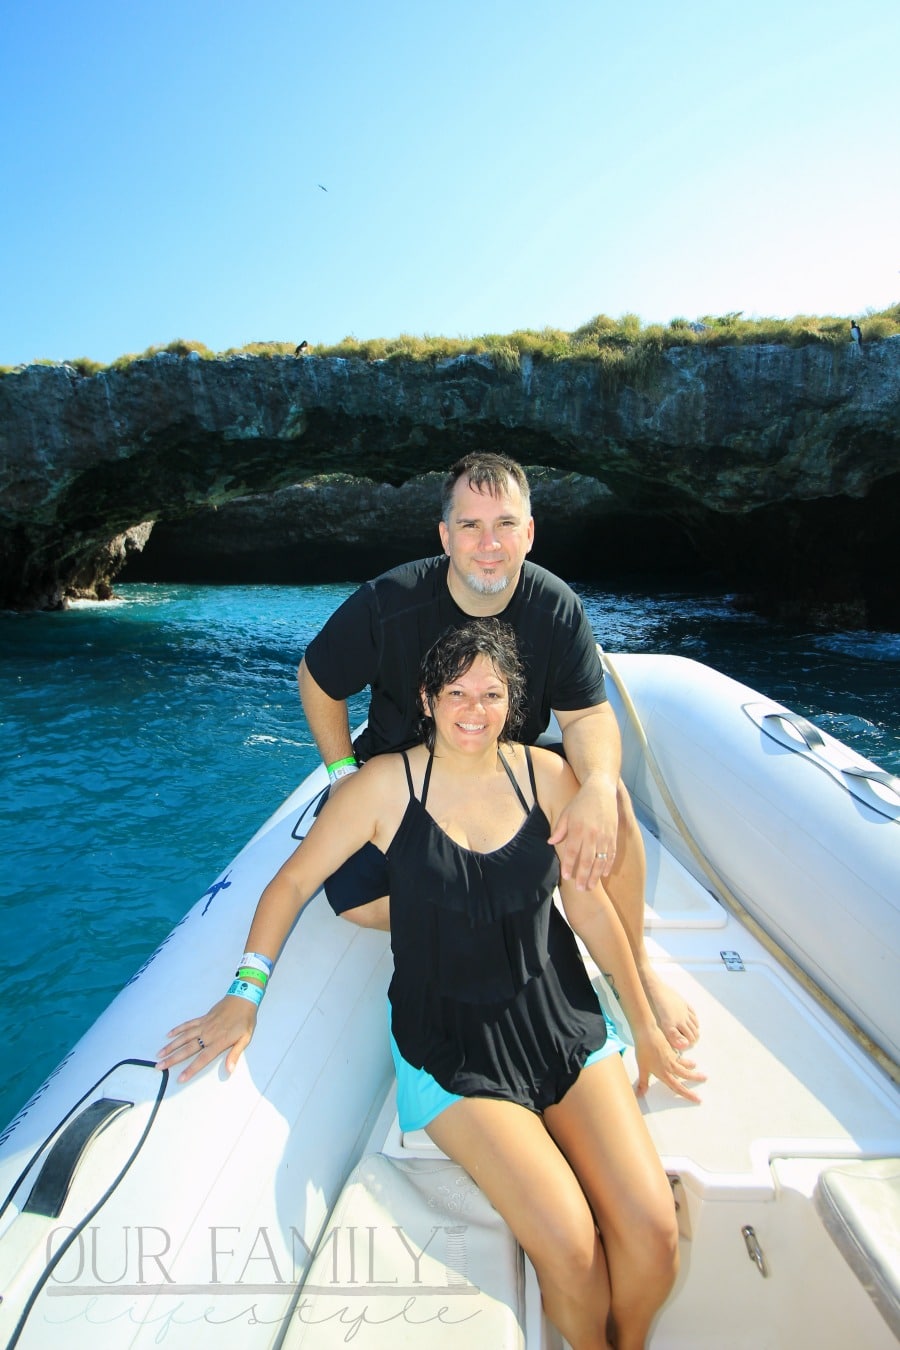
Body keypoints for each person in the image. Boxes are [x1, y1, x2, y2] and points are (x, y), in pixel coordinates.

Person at [158, 620, 704, 1350]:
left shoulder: (545, 776)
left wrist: (640, 1025)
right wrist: (244, 993)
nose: (474, 709)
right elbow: (290, 884)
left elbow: (589, 909)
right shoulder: (384, 787)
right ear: (427, 697)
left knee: (654, 1232)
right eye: (456, 692)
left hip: (561, 1023)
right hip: (450, 1052)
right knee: (572, 1248)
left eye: (492, 692)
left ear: (513, 699)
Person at [298, 452, 699, 1051]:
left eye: (506, 524)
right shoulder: (390, 600)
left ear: (530, 533)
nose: (489, 543)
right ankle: (519, 908)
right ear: (444, 535)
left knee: (608, 795)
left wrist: (591, 786)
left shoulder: (554, 606)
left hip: (505, 781)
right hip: (403, 797)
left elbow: (587, 714)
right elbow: (317, 676)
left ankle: (635, 963)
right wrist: (341, 774)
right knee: (350, 898)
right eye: (470, 525)